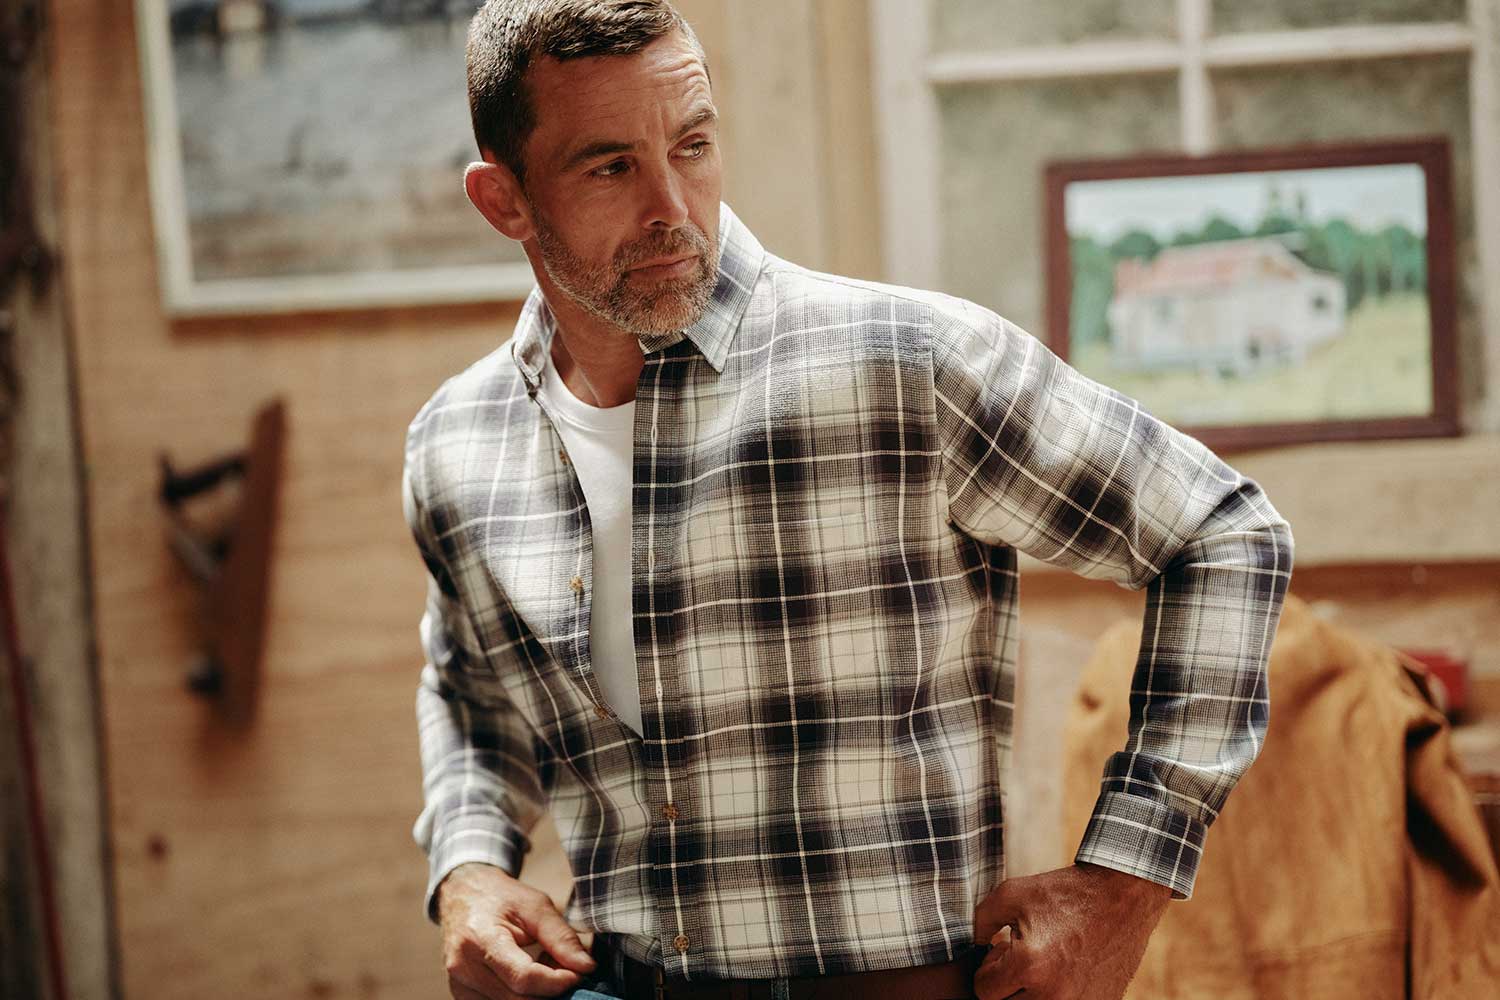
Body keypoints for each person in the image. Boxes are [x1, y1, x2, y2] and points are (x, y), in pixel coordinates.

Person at [400, 2, 1294, 998]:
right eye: (610, 166)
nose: (672, 206)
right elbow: (471, 690)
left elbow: (1224, 532)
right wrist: (469, 865)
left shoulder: (911, 363)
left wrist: (1125, 881)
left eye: (693, 144)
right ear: (503, 198)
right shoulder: (456, 443)